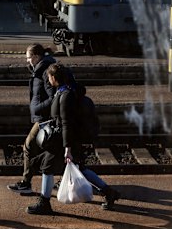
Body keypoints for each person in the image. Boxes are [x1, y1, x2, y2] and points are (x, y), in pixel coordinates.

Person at [26, 63, 121, 215]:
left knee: (47, 168)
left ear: (53, 78)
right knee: (80, 169)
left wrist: (67, 149)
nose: (48, 80)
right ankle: (109, 192)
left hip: (63, 142)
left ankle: (44, 203)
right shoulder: (63, 91)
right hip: (67, 140)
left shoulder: (66, 95)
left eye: (49, 77)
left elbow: (66, 123)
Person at [7, 43, 57, 194]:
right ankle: (64, 180)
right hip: (44, 117)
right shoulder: (40, 69)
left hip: (45, 118)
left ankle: (26, 183)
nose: (27, 61)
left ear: (36, 57)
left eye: (28, 58)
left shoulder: (45, 71)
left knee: (28, 146)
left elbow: (54, 96)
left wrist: (38, 108)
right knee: (51, 151)